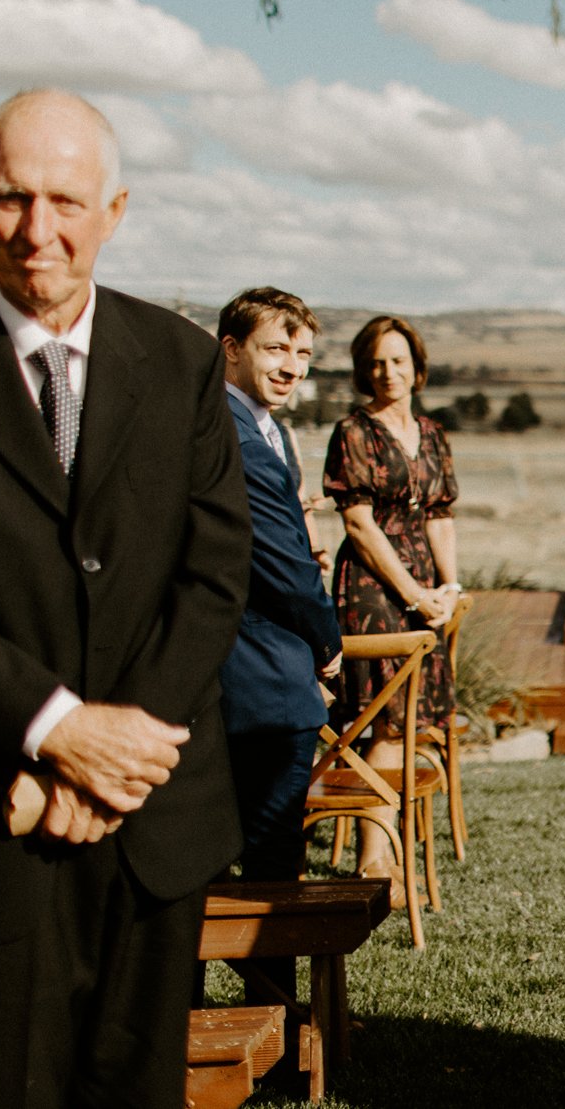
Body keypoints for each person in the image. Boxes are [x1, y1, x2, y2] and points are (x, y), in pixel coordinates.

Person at [0, 90, 250, 1107]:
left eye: (66, 200)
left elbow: (213, 575)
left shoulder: (183, 362)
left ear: (115, 210)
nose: (38, 230)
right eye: (12, 197)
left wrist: (113, 759)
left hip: (153, 827)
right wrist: (57, 729)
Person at [218, 287, 343, 1002]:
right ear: (231, 348)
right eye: (275, 348)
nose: (292, 365)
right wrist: (327, 643)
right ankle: (275, 1021)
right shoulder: (234, 435)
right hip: (258, 677)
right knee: (267, 865)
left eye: (302, 353)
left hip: (259, 668)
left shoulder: (266, 430)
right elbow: (284, 570)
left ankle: (262, 1014)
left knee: (251, 863)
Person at [323, 314, 460, 896]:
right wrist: (412, 594)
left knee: (407, 725)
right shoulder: (353, 432)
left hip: (424, 584)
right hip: (373, 585)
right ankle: (374, 860)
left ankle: (393, 849)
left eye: (398, 360)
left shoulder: (432, 432)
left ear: (417, 367)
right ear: (364, 369)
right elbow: (359, 524)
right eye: (377, 362)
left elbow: (440, 516)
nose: (388, 372)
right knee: (383, 719)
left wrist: (449, 588)